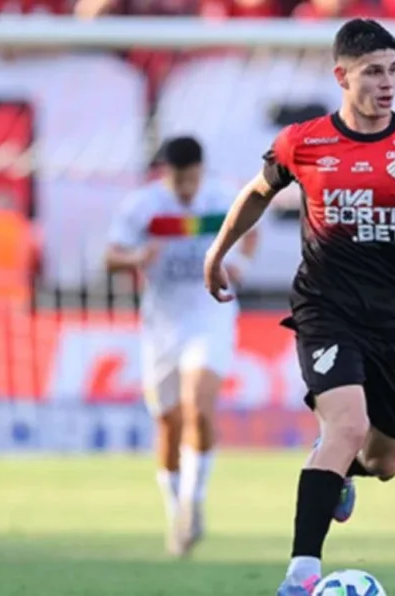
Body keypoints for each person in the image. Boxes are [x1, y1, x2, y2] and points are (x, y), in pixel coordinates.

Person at [202, 18, 395, 596]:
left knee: (383, 460)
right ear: (342, 77)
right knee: (347, 425)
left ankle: (336, 467)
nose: (387, 83)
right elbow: (257, 193)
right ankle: (301, 574)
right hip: (326, 308)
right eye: (373, 72)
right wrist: (217, 252)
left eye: (393, 71)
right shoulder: (303, 142)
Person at [105, 136, 257, 557]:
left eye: (191, 179)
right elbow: (110, 256)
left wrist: (240, 265)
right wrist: (137, 258)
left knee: (199, 406)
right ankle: (176, 511)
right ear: (164, 173)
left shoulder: (224, 197)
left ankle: (194, 501)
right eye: (177, 180)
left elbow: (252, 231)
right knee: (168, 423)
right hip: (161, 326)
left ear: (201, 171)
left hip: (210, 317)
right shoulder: (143, 205)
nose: (186, 189)